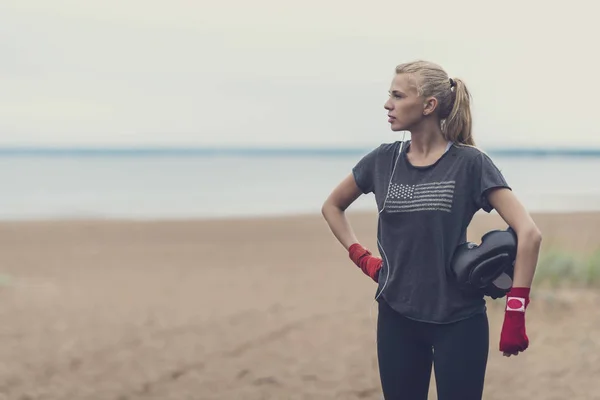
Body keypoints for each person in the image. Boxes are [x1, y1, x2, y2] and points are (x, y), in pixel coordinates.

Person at [321, 60, 543, 400]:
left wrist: (516, 311)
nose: (387, 104)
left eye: (397, 95)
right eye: (389, 95)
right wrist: (363, 258)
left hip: (459, 321)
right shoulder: (383, 161)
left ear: (429, 105)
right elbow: (332, 206)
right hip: (396, 317)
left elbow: (528, 233)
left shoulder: (470, 163)